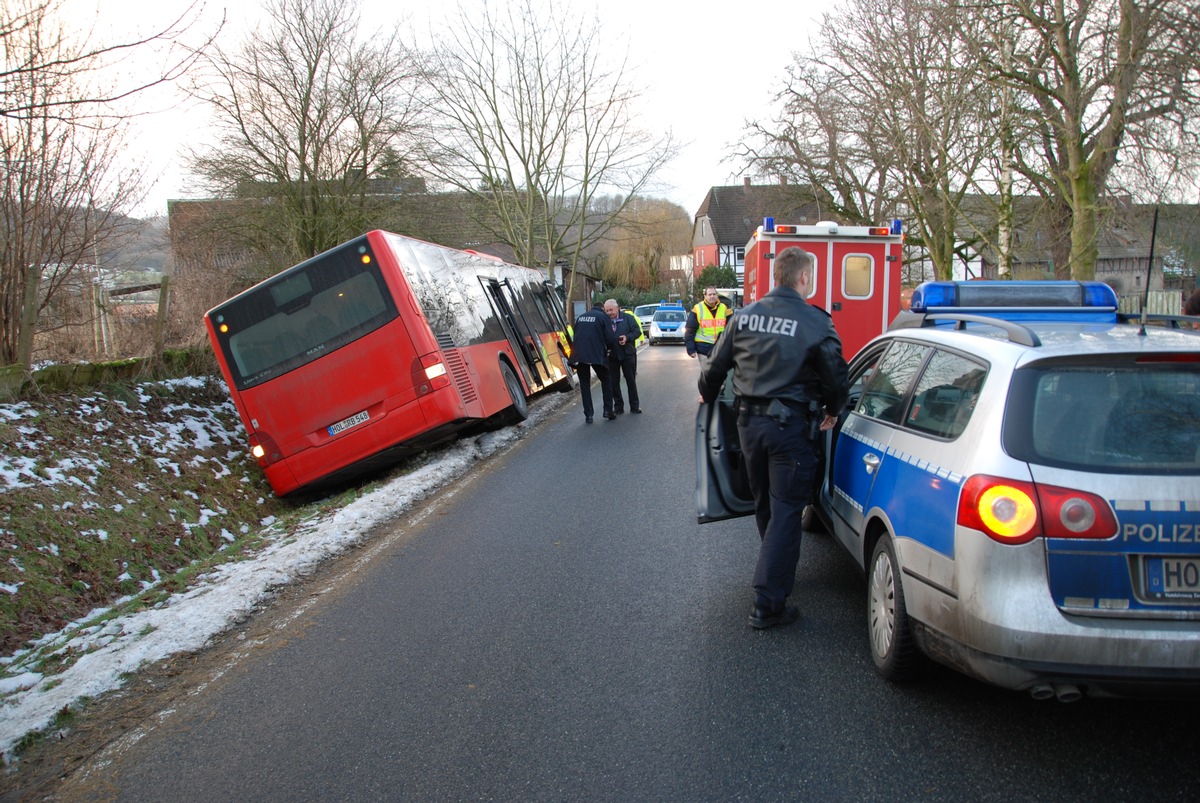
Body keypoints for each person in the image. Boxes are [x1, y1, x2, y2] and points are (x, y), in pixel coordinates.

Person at [697, 247, 848, 630]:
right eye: (810, 277)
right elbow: (835, 375)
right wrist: (834, 408)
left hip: (749, 426)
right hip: (790, 430)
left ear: (774, 277)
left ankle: (775, 570)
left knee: (765, 502)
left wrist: (708, 394)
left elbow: (715, 366)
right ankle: (768, 602)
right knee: (786, 509)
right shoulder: (815, 322)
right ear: (802, 278)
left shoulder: (743, 317)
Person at [570, 298, 619, 423]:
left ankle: (588, 415)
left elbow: (577, 336)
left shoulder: (581, 317)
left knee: (585, 385)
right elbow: (610, 338)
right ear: (602, 309)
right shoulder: (603, 317)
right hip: (596, 355)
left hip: (580, 355)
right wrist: (609, 350)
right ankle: (608, 410)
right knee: (606, 380)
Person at [604, 299, 643, 414]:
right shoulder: (605, 321)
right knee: (614, 383)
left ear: (618, 308)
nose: (609, 313)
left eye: (611, 310)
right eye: (607, 311)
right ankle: (618, 407)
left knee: (631, 381)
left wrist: (627, 338)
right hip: (612, 356)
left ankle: (635, 406)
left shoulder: (628, 318)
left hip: (628, 354)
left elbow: (637, 331)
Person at [684, 287, 731, 359]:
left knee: (719, 370)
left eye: (714, 294)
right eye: (709, 294)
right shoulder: (697, 308)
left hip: (721, 347)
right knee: (707, 370)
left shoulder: (725, 308)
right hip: (703, 349)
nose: (712, 296)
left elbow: (732, 328)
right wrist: (691, 349)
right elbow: (690, 330)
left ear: (717, 296)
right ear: (705, 296)